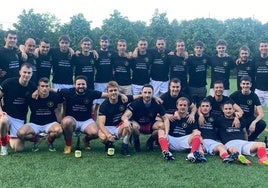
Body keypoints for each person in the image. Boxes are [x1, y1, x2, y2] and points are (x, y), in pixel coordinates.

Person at [59, 75, 126, 154]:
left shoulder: (91, 93)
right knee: (66, 122)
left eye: (83, 84)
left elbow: (108, 94)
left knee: (96, 133)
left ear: (86, 85)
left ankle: (86, 140)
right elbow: (53, 90)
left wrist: (121, 95)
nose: (81, 86)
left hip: (86, 120)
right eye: (79, 84)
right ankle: (68, 145)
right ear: (74, 85)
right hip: (72, 120)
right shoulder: (68, 92)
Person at [16, 77, 63, 152]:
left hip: (50, 123)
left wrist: (59, 122)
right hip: (35, 124)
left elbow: (59, 108)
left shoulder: (55, 96)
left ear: (49, 87)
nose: (45, 88)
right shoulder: (31, 96)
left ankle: (49, 141)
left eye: (47, 86)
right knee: (20, 133)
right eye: (42, 86)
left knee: (59, 131)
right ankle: (36, 139)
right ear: (38, 87)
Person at [215, 101, 268, 165]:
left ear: (233, 110)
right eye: (226, 109)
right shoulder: (219, 120)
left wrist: (246, 142)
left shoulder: (240, 119)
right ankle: (240, 157)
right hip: (230, 142)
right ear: (223, 110)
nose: (228, 111)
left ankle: (263, 159)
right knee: (234, 149)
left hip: (242, 142)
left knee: (262, 144)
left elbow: (244, 132)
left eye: (230, 109)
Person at [0, 63, 36, 154]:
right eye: (24, 72)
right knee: (3, 121)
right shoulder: (8, 82)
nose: (26, 75)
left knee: (18, 148)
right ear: (20, 72)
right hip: (6, 114)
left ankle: (6, 136)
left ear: (32, 74)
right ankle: (4, 146)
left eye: (29, 73)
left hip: (19, 119)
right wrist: (0, 112)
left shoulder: (32, 87)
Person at [121, 84, 169, 152]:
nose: (147, 95)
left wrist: (166, 134)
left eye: (149, 93)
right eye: (145, 92)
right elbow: (124, 116)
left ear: (153, 93)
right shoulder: (136, 103)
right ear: (142, 93)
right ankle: (136, 141)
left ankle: (150, 141)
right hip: (137, 125)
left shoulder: (156, 103)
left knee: (162, 126)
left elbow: (166, 119)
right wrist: (126, 121)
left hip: (150, 124)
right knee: (132, 125)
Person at [157, 97, 206, 162]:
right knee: (160, 131)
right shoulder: (171, 116)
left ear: (188, 107)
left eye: (185, 105)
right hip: (172, 140)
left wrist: (201, 143)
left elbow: (196, 133)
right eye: (180, 105)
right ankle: (166, 152)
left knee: (197, 132)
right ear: (177, 106)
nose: (182, 107)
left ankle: (192, 154)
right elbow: (157, 115)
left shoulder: (191, 118)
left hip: (184, 141)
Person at [98, 81, 137, 156]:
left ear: (118, 91)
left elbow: (138, 96)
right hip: (107, 127)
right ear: (107, 92)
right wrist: (108, 134)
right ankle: (109, 144)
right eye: (111, 91)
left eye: (115, 90)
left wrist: (154, 97)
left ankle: (124, 148)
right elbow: (101, 124)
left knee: (128, 125)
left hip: (118, 126)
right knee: (102, 137)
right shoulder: (103, 106)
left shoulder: (123, 99)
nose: (113, 92)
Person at [198, 98, 236, 163]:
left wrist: (236, 117)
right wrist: (200, 115)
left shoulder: (215, 117)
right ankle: (200, 156)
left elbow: (227, 116)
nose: (205, 108)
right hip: (200, 140)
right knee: (198, 146)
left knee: (221, 147)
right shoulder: (195, 117)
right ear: (200, 108)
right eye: (203, 106)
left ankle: (226, 157)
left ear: (210, 108)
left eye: (207, 106)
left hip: (212, 141)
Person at [230, 75, 266, 141]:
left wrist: (254, 122)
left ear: (251, 85)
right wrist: (235, 115)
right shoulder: (235, 95)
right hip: (239, 119)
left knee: (262, 124)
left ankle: (250, 139)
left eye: (247, 84)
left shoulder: (254, 96)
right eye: (243, 84)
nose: (245, 86)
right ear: (240, 84)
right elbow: (226, 106)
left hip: (249, 119)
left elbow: (261, 114)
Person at [93, 35, 114, 120]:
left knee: (110, 102)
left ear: (108, 43)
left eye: (106, 42)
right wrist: (92, 50)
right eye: (102, 41)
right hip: (98, 81)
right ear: (100, 42)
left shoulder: (112, 53)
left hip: (109, 82)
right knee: (96, 104)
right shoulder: (95, 53)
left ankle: (109, 121)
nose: (104, 43)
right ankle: (94, 122)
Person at [187, 41, 210, 105]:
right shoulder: (190, 58)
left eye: (200, 48)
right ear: (194, 49)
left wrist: (226, 55)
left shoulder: (207, 58)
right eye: (197, 48)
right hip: (192, 86)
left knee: (202, 106)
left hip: (202, 87)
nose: (199, 49)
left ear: (203, 49)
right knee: (192, 105)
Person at [253, 40, 268, 106]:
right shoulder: (255, 58)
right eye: (262, 46)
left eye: (265, 46)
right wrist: (239, 59)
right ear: (259, 48)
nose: (264, 48)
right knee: (257, 113)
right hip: (258, 90)